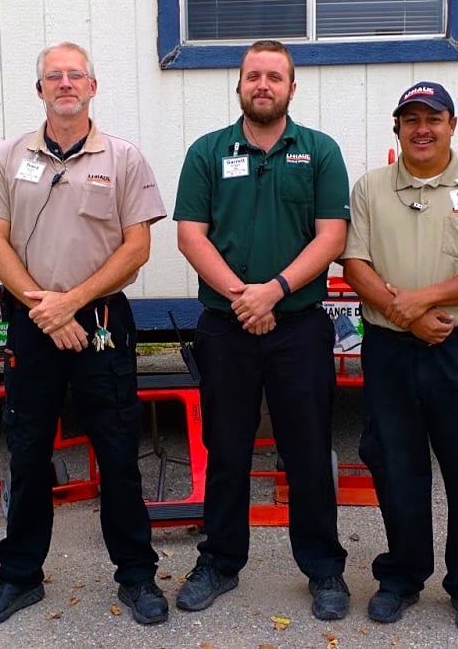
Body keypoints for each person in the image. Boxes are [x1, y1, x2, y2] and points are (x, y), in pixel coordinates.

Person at [0, 41, 168, 627]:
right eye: (53, 77)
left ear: (92, 87)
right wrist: (45, 309)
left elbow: (138, 247)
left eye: (75, 75)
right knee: (28, 452)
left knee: (118, 452)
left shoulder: (124, 158)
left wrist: (72, 304)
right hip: (34, 323)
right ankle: (19, 576)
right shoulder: (7, 157)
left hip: (100, 321)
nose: (64, 84)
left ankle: (137, 576)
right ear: (39, 90)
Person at [173, 40, 350, 621]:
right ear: (240, 85)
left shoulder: (320, 151)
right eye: (254, 76)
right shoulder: (206, 152)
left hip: (299, 327)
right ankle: (219, 562)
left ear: (292, 88)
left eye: (275, 76)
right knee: (226, 450)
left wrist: (273, 290)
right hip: (226, 328)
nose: (263, 85)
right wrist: (242, 298)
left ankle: (324, 568)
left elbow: (331, 236)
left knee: (307, 451)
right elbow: (191, 235)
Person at [340, 81, 458, 632]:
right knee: (396, 468)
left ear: (451, 125)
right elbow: (355, 265)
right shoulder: (370, 188)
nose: (422, 129)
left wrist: (423, 300)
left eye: (433, 118)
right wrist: (408, 316)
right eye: (412, 119)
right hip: (390, 352)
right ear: (397, 128)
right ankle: (401, 577)